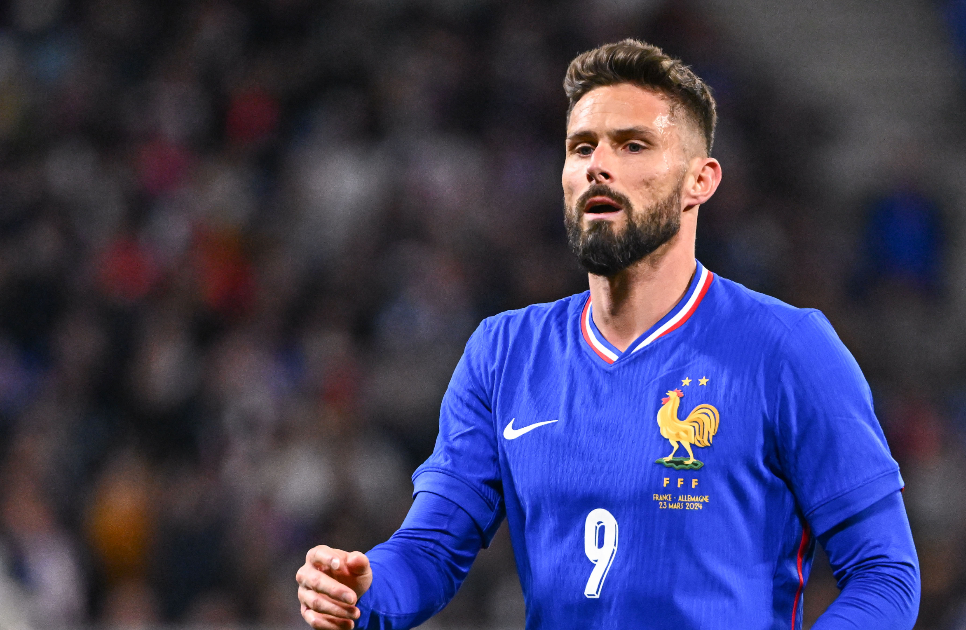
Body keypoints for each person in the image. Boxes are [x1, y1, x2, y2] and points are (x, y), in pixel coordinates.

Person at [296, 39, 920, 630]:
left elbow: (885, 573)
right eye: (581, 147)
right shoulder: (504, 353)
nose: (598, 166)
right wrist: (362, 590)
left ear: (699, 181)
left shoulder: (789, 349)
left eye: (633, 146)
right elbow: (430, 549)